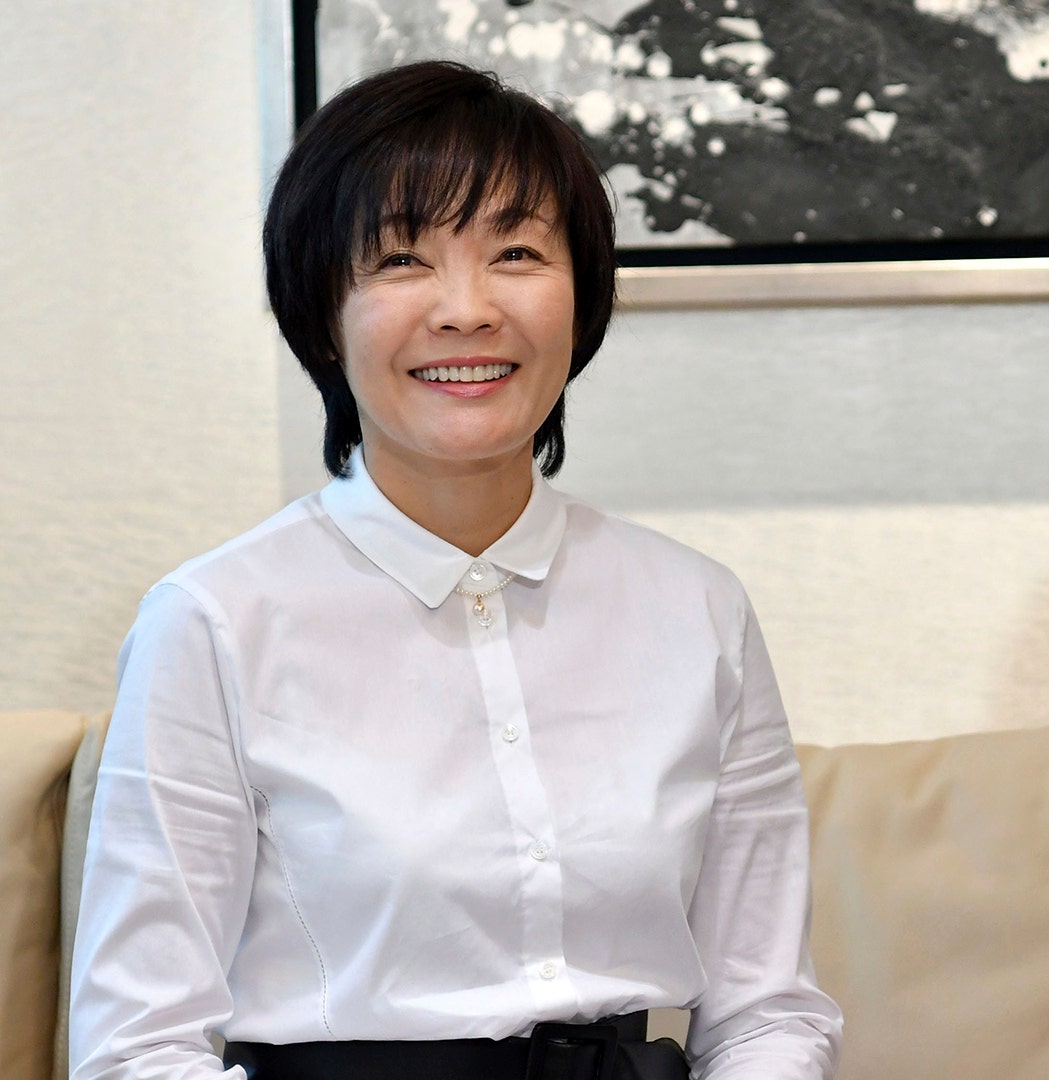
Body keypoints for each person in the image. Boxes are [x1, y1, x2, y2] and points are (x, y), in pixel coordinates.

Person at [68, 61, 840, 1080]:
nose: (467, 310)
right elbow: (136, 1045)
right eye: (401, 259)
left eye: (516, 252)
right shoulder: (212, 620)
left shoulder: (697, 610)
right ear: (322, 312)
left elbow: (767, 1013)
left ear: (582, 298)